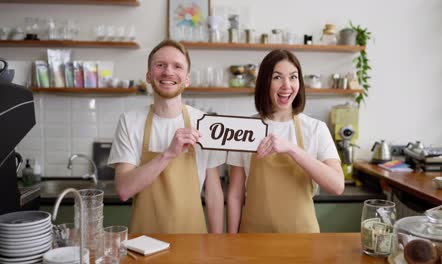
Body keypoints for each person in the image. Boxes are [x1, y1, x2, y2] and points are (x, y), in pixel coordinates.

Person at [108, 39, 225, 234]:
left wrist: (217, 243)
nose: (168, 72)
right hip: (142, 244)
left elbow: (214, 193)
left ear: (187, 79)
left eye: (177, 66)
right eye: (160, 65)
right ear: (148, 75)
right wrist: (168, 154)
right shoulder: (130, 122)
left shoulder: (204, 123)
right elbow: (123, 189)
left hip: (194, 241)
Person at [226, 49, 344, 233]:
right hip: (252, 239)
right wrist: (231, 241)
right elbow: (235, 194)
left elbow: (337, 185)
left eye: (293, 77)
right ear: (265, 82)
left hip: (303, 240)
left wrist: (292, 149)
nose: (286, 85)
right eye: (277, 77)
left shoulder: (315, 129)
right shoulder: (246, 129)